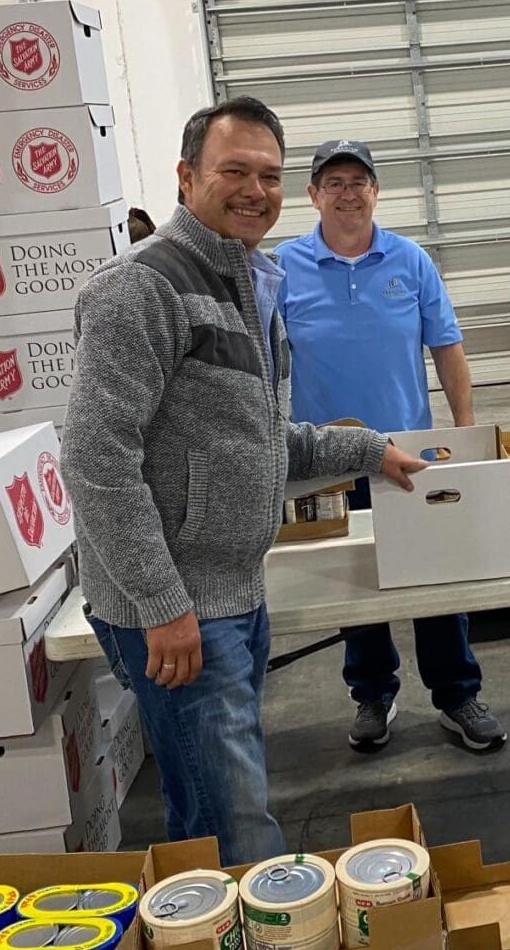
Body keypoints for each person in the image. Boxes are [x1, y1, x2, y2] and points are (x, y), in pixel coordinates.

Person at [60, 98, 427, 864]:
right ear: (186, 176)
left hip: (234, 593)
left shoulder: (245, 282)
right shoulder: (141, 288)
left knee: (214, 804)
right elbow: (97, 460)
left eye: (269, 175)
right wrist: (163, 605)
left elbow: (263, 440)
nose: (256, 190)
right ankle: (263, 935)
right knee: (235, 826)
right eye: (234, 171)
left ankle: (219, 927)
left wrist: (372, 451)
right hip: (180, 607)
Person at [275, 139, 506, 754]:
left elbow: (447, 346)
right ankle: (373, 694)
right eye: (334, 182)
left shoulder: (411, 260)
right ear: (313, 195)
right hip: (327, 458)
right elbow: (265, 362)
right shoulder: (282, 267)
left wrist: (464, 432)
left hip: (411, 452)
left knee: (438, 573)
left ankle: (456, 694)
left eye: (359, 181)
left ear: (375, 191)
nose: (347, 193)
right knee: (357, 580)